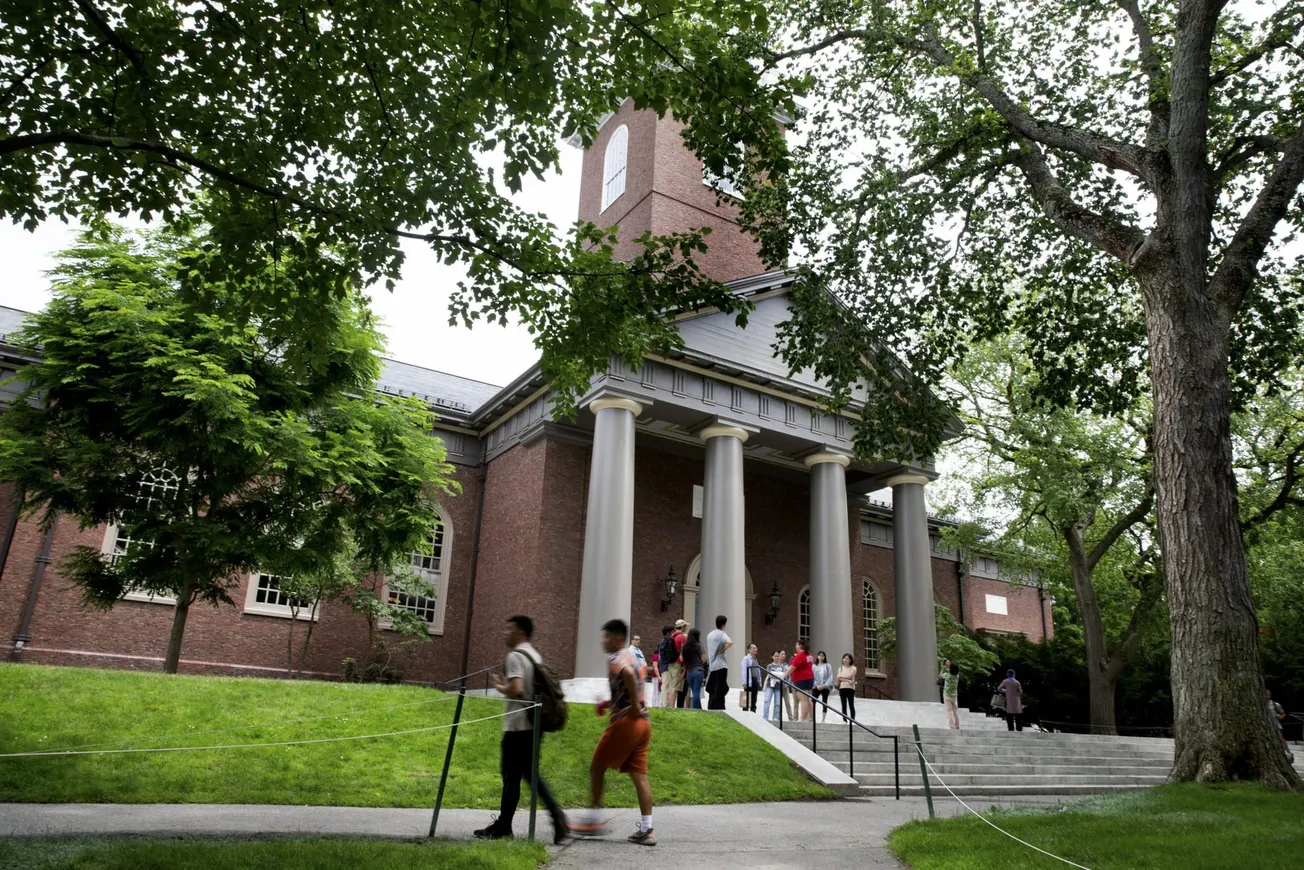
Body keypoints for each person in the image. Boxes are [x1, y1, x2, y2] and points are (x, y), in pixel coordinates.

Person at [474, 615, 569, 844]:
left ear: (520, 632)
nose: (505, 634)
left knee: (512, 774)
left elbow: (517, 688)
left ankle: (552, 817)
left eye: (509, 629)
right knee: (523, 774)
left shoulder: (515, 656)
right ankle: (506, 824)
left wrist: (500, 686)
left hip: (517, 726)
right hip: (534, 725)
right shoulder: (534, 655)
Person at [571, 618, 656, 846]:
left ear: (618, 639)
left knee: (597, 767)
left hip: (627, 722)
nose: (603, 642)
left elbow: (627, 674)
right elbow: (630, 687)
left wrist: (633, 707)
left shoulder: (616, 659)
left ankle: (592, 821)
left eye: (606, 637)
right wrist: (607, 704)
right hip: (644, 724)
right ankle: (647, 830)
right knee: (639, 776)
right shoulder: (635, 658)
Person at [705, 614, 733, 710]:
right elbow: (730, 642)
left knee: (713, 687)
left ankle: (711, 706)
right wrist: (722, 650)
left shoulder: (710, 635)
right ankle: (719, 707)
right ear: (724, 625)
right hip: (721, 664)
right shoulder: (722, 634)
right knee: (720, 687)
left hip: (712, 665)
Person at [785, 641, 816, 721]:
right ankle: (811, 718)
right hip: (809, 678)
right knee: (807, 699)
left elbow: (792, 667)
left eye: (796, 645)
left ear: (800, 645)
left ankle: (802, 718)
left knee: (803, 699)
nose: (795, 646)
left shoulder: (800, 655)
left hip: (801, 679)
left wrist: (784, 675)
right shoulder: (809, 654)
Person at [662, 620, 688, 709]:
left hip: (670, 663)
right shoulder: (682, 637)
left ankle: (670, 706)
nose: (686, 628)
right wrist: (685, 665)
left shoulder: (672, 636)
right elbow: (683, 653)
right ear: (683, 627)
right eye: (685, 626)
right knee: (675, 687)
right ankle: (672, 708)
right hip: (678, 664)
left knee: (671, 686)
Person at [680, 628, 707, 709]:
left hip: (689, 672)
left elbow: (681, 659)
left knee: (694, 691)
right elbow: (704, 659)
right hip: (698, 671)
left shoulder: (684, 646)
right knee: (696, 692)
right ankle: (695, 710)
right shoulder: (698, 645)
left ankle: (699, 709)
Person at [1268, 689, 1293, 762]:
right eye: (1265, 694)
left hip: (1276, 725)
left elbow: (1283, 713)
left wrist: (1280, 717)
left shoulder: (1275, 704)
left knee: (1281, 739)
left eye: (1268, 694)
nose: (1267, 696)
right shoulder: (1260, 705)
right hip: (1265, 725)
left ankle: (1289, 754)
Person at [763, 651, 786, 721]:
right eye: (775, 656)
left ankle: (775, 717)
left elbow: (783, 675)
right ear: (772, 657)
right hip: (770, 685)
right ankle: (765, 717)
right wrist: (778, 675)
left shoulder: (782, 666)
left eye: (778, 656)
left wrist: (775, 674)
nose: (777, 657)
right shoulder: (769, 666)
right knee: (767, 701)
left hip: (778, 686)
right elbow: (770, 674)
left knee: (777, 703)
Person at [812, 651, 834, 722]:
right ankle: (812, 718)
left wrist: (824, 686)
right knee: (813, 702)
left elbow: (830, 676)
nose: (821, 657)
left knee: (824, 702)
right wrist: (816, 685)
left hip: (825, 687)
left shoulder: (828, 665)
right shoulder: (814, 666)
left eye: (822, 656)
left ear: (824, 657)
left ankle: (823, 720)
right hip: (816, 687)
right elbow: (812, 676)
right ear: (817, 656)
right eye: (819, 655)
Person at [739, 644, 761, 712]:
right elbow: (744, 671)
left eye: (756, 648)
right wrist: (744, 682)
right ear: (749, 650)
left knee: (754, 698)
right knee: (747, 698)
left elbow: (758, 671)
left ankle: (753, 711)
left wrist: (759, 681)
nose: (755, 649)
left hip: (755, 680)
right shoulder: (746, 659)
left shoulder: (755, 659)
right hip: (749, 680)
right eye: (753, 648)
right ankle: (745, 713)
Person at [836, 654, 857, 721]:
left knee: (851, 704)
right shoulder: (840, 668)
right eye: (844, 658)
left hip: (850, 688)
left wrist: (842, 677)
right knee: (843, 705)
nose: (845, 660)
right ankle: (844, 719)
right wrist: (847, 680)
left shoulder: (853, 668)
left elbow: (850, 676)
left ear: (850, 660)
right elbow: (839, 678)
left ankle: (852, 720)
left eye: (847, 658)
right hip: (842, 688)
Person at [942, 661, 961, 729]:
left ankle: (952, 725)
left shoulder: (947, 676)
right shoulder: (957, 676)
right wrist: (948, 668)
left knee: (949, 711)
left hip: (947, 695)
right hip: (954, 696)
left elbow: (941, 674)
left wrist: (943, 668)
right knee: (955, 711)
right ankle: (957, 725)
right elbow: (953, 671)